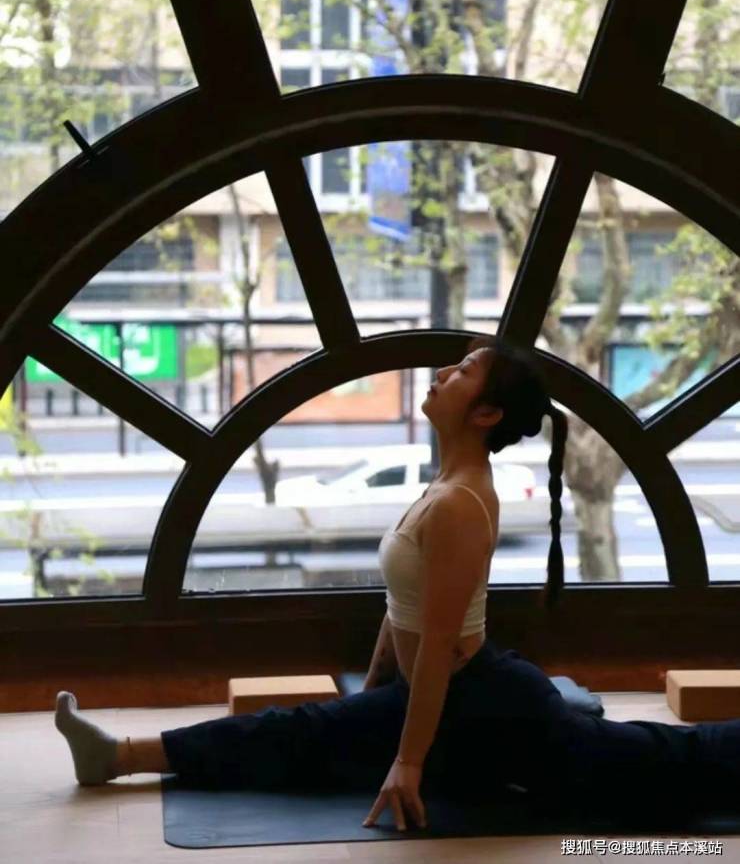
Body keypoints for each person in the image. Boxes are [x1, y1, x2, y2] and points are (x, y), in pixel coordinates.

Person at [55, 335, 740, 831]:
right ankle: (115, 754)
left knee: (661, 768)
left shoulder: (459, 503)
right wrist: (377, 691)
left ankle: (116, 755)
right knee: (302, 733)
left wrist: (407, 761)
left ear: (486, 413)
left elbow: (437, 643)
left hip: (489, 707)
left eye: (464, 371)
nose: (443, 373)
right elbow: (402, 608)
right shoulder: (444, 486)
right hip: (451, 695)